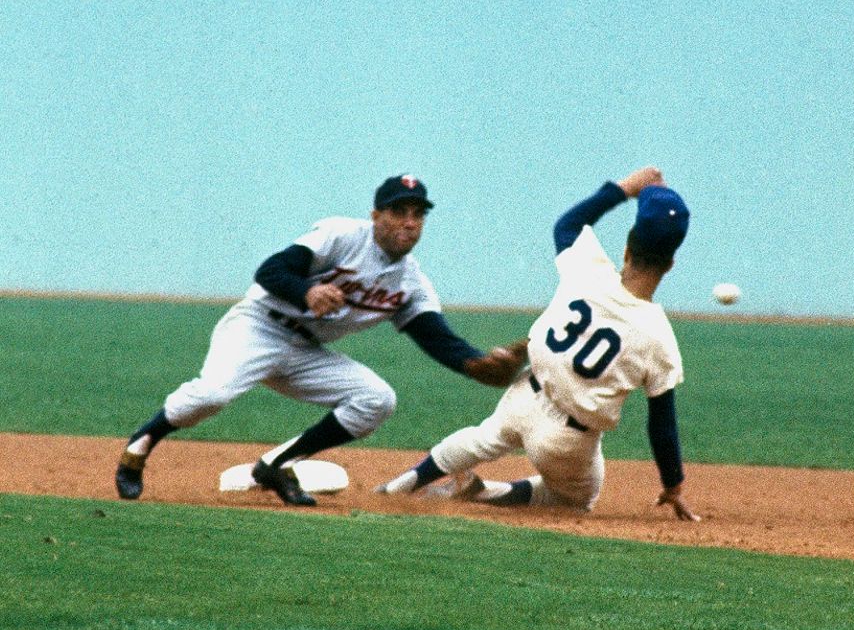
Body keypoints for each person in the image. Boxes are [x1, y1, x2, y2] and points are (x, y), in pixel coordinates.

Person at [115, 174, 528, 506]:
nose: (409, 221)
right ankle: (142, 442)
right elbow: (271, 271)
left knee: (376, 400)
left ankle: (278, 463)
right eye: (398, 211)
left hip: (305, 351)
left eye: (418, 214)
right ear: (376, 214)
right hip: (258, 326)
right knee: (212, 395)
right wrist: (307, 292)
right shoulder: (341, 235)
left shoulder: (411, 284)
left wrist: (476, 364)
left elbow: (437, 339)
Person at [376, 166, 700, 523]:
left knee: (482, 438)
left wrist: (625, 188)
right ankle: (485, 492)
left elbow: (567, 224)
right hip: (567, 440)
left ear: (626, 250)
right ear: (670, 265)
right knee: (576, 499)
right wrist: (674, 485)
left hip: (524, 394)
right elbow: (662, 425)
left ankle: (400, 485)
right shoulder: (659, 338)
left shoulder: (588, 267)